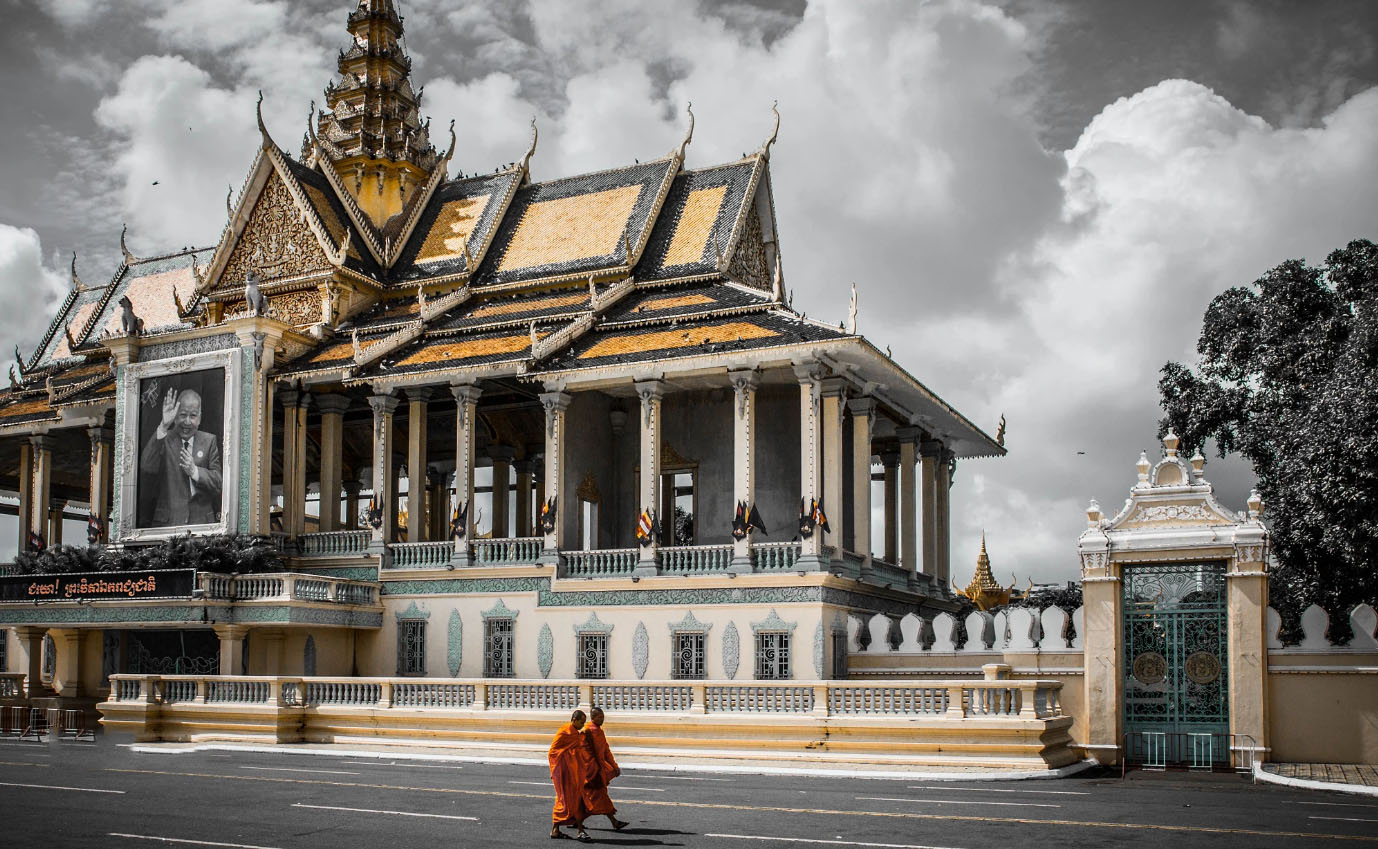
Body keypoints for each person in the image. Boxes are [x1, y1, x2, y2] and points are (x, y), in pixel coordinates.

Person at [139, 387, 222, 526]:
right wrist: (164, 426)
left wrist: (194, 471)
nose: (187, 422)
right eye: (183, 415)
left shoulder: (209, 441)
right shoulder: (165, 438)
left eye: (193, 416)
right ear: (175, 415)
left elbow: (218, 482)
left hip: (202, 524)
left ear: (200, 417)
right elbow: (146, 466)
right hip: (168, 523)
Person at [582, 707, 629, 831]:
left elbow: (606, 751)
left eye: (603, 717)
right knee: (599, 797)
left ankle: (576, 820)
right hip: (591, 771)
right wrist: (590, 768)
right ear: (593, 718)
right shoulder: (586, 731)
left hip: (599, 770)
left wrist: (614, 766)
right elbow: (582, 753)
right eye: (599, 717)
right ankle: (614, 822)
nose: (602, 719)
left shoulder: (599, 732)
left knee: (594, 798)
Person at [549, 710, 591, 841]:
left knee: (571, 800)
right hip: (565, 773)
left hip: (574, 772)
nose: (582, 725)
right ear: (574, 719)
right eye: (581, 722)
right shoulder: (565, 731)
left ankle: (556, 830)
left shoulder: (575, 733)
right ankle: (579, 831)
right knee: (568, 800)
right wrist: (563, 764)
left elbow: (576, 748)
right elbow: (553, 753)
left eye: (584, 723)